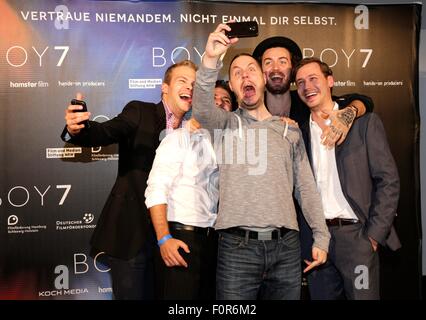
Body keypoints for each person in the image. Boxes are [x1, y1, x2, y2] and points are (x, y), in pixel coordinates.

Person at [192, 23, 330, 300]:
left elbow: (306, 188)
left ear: (264, 79)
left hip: (286, 249)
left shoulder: (289, 130)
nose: (245, 76)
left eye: (251, 70)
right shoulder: (225, 125)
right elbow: (202, 107)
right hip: (236, 249)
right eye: (237, 73)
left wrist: (321, 237)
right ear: (232, 86)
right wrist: (209, 59)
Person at [60, 60, 197, 300]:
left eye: (195, 84)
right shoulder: (140, 112)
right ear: (165, 88)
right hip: (133, 236)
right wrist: (78, 129)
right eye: (182, 81)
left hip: (173, 239)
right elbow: (106, 131)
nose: (190, 87)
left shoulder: (195, 129)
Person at [294, 57, 401, 299]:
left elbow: (388, 181)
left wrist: (373, 236)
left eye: (313, 79)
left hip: (357, 239)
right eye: (300, 82)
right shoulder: (296, 134)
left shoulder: (364, 124)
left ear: (330, 81)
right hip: (316, 242)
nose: (307, 86)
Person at [145, 116, 219, 300]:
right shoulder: (178, 137)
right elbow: (156, 186)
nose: (219, 104)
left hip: (212, 242)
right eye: (214, 99)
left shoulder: (223, 145)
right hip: (181, 239)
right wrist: (164, 238)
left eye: (225, 101)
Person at [252, 36, 374, 147]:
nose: (275, 68)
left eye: (282, 61)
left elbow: (363, 101)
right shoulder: (249, 106)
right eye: (268, 62)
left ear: (292, 69)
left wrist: (350, 113)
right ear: (260, 70)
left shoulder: (307, 100)